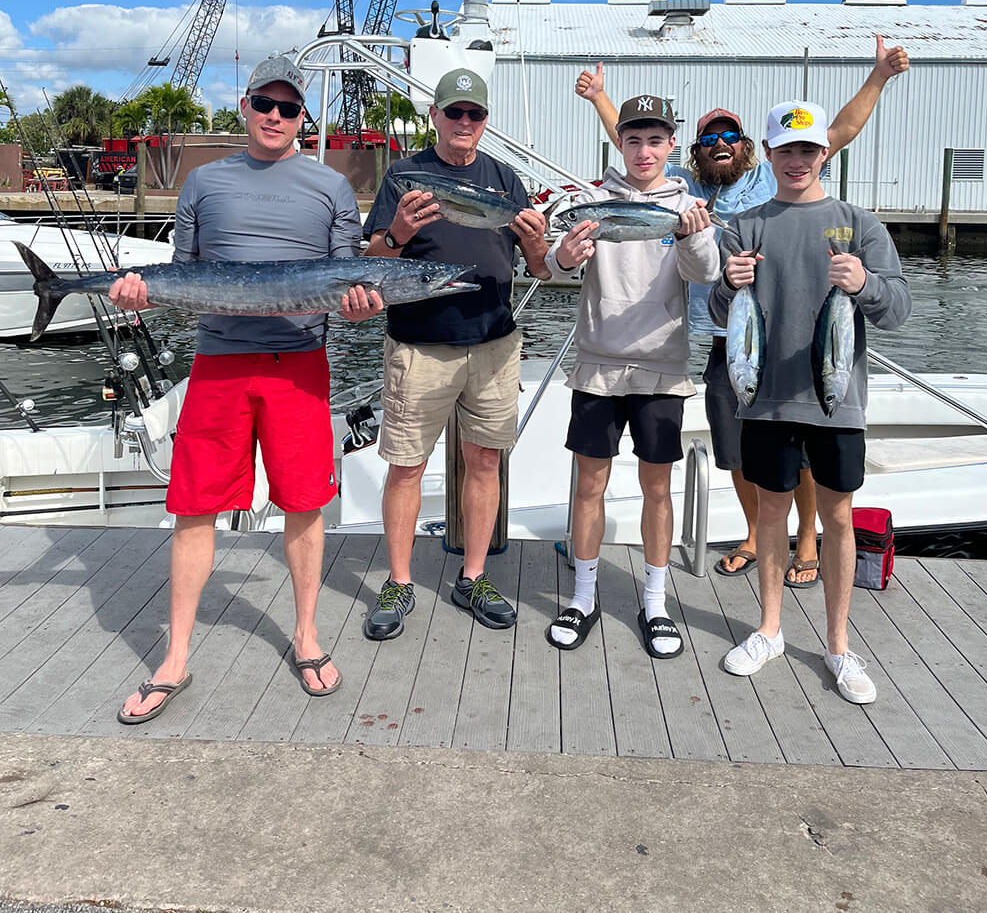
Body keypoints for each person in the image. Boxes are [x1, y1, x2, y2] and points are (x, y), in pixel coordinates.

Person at [574, 35, 908, 586]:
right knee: (735, 447)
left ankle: (806, 540)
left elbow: (837, 133)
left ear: (754, 148)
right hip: (724, 335)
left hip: (794, 337)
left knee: (804, 444)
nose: (720, 143)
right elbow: (636, 144)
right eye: (710, 138)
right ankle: (756, 534)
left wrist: (879, 77)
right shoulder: (685, 190)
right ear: (694, 150)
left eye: (730, 135)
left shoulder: (769, 177)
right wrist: (600, 100)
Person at [113, 57, 381, 723]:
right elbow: (181, 277)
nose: (275, 116)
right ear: (245, 105)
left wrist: (359, 307)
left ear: (302, 118)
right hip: (218, 365)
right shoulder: (203, 181)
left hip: (299, 367)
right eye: (265, 102)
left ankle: (306, 634)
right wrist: (140, 293)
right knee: (194, 506)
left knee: (305, 503)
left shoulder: (332, 187)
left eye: (288, 108)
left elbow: (347, 284)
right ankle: (175, 655)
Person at [708, 101, 911, 703]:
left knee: (838, 517)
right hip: (765, 399)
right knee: (771, 513)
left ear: (825, 153)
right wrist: (728, 285)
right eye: (785, 150)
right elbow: (718, 313)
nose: (796, 160)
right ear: (768, 155)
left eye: (807, 150)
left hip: (835, 400)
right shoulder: (745, 226)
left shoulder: (858, 224)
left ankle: (839, 646)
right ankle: (769, 630)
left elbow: (898, 309)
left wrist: (863, 283)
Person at [354, 68, 550, 640]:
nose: (465, 122)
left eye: (475, 113)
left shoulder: (505, 180)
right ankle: (399, 581)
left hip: (493, 344)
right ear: (435, 116)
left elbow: (539, 268)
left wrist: (537, 243)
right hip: (419, 346)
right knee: (406, 466)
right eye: (455, 112)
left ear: (485, 122)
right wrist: (396, 232)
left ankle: (474, 576)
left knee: (485, 461)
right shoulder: (405, 176)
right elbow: (373, 265)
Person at [544, 95, 718, 658]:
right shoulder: (590, 203)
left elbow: (706, 273)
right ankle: (583, 597)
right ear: (619, 142)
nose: (645, 151)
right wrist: (565, 255)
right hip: (597, 366)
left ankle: (656, 602)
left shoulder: (688, 207)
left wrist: (692, 236)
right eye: (634, 139)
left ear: (671, 145)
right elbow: (551, 270)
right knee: (588, 485)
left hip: (662, 367)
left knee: (657, 489)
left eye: (655, 140)